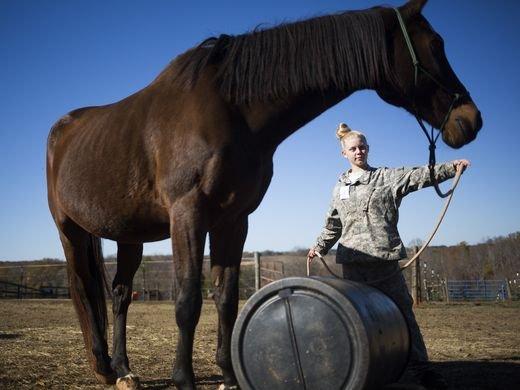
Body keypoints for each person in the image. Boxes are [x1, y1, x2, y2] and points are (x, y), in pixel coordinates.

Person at [307, 123, 470, 389]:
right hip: (352, 265)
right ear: (344, 154)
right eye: (353, 148)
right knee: (355, 318)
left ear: (368, 149)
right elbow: (333, 224)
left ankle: (423, 371)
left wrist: (450, 168)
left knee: (404, 316)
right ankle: (361, 368)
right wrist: (319, 247)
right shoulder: (339, 188)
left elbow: (419, 175)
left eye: (362, 147)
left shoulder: (386, 177)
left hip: (384, 263)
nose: (358, 151)